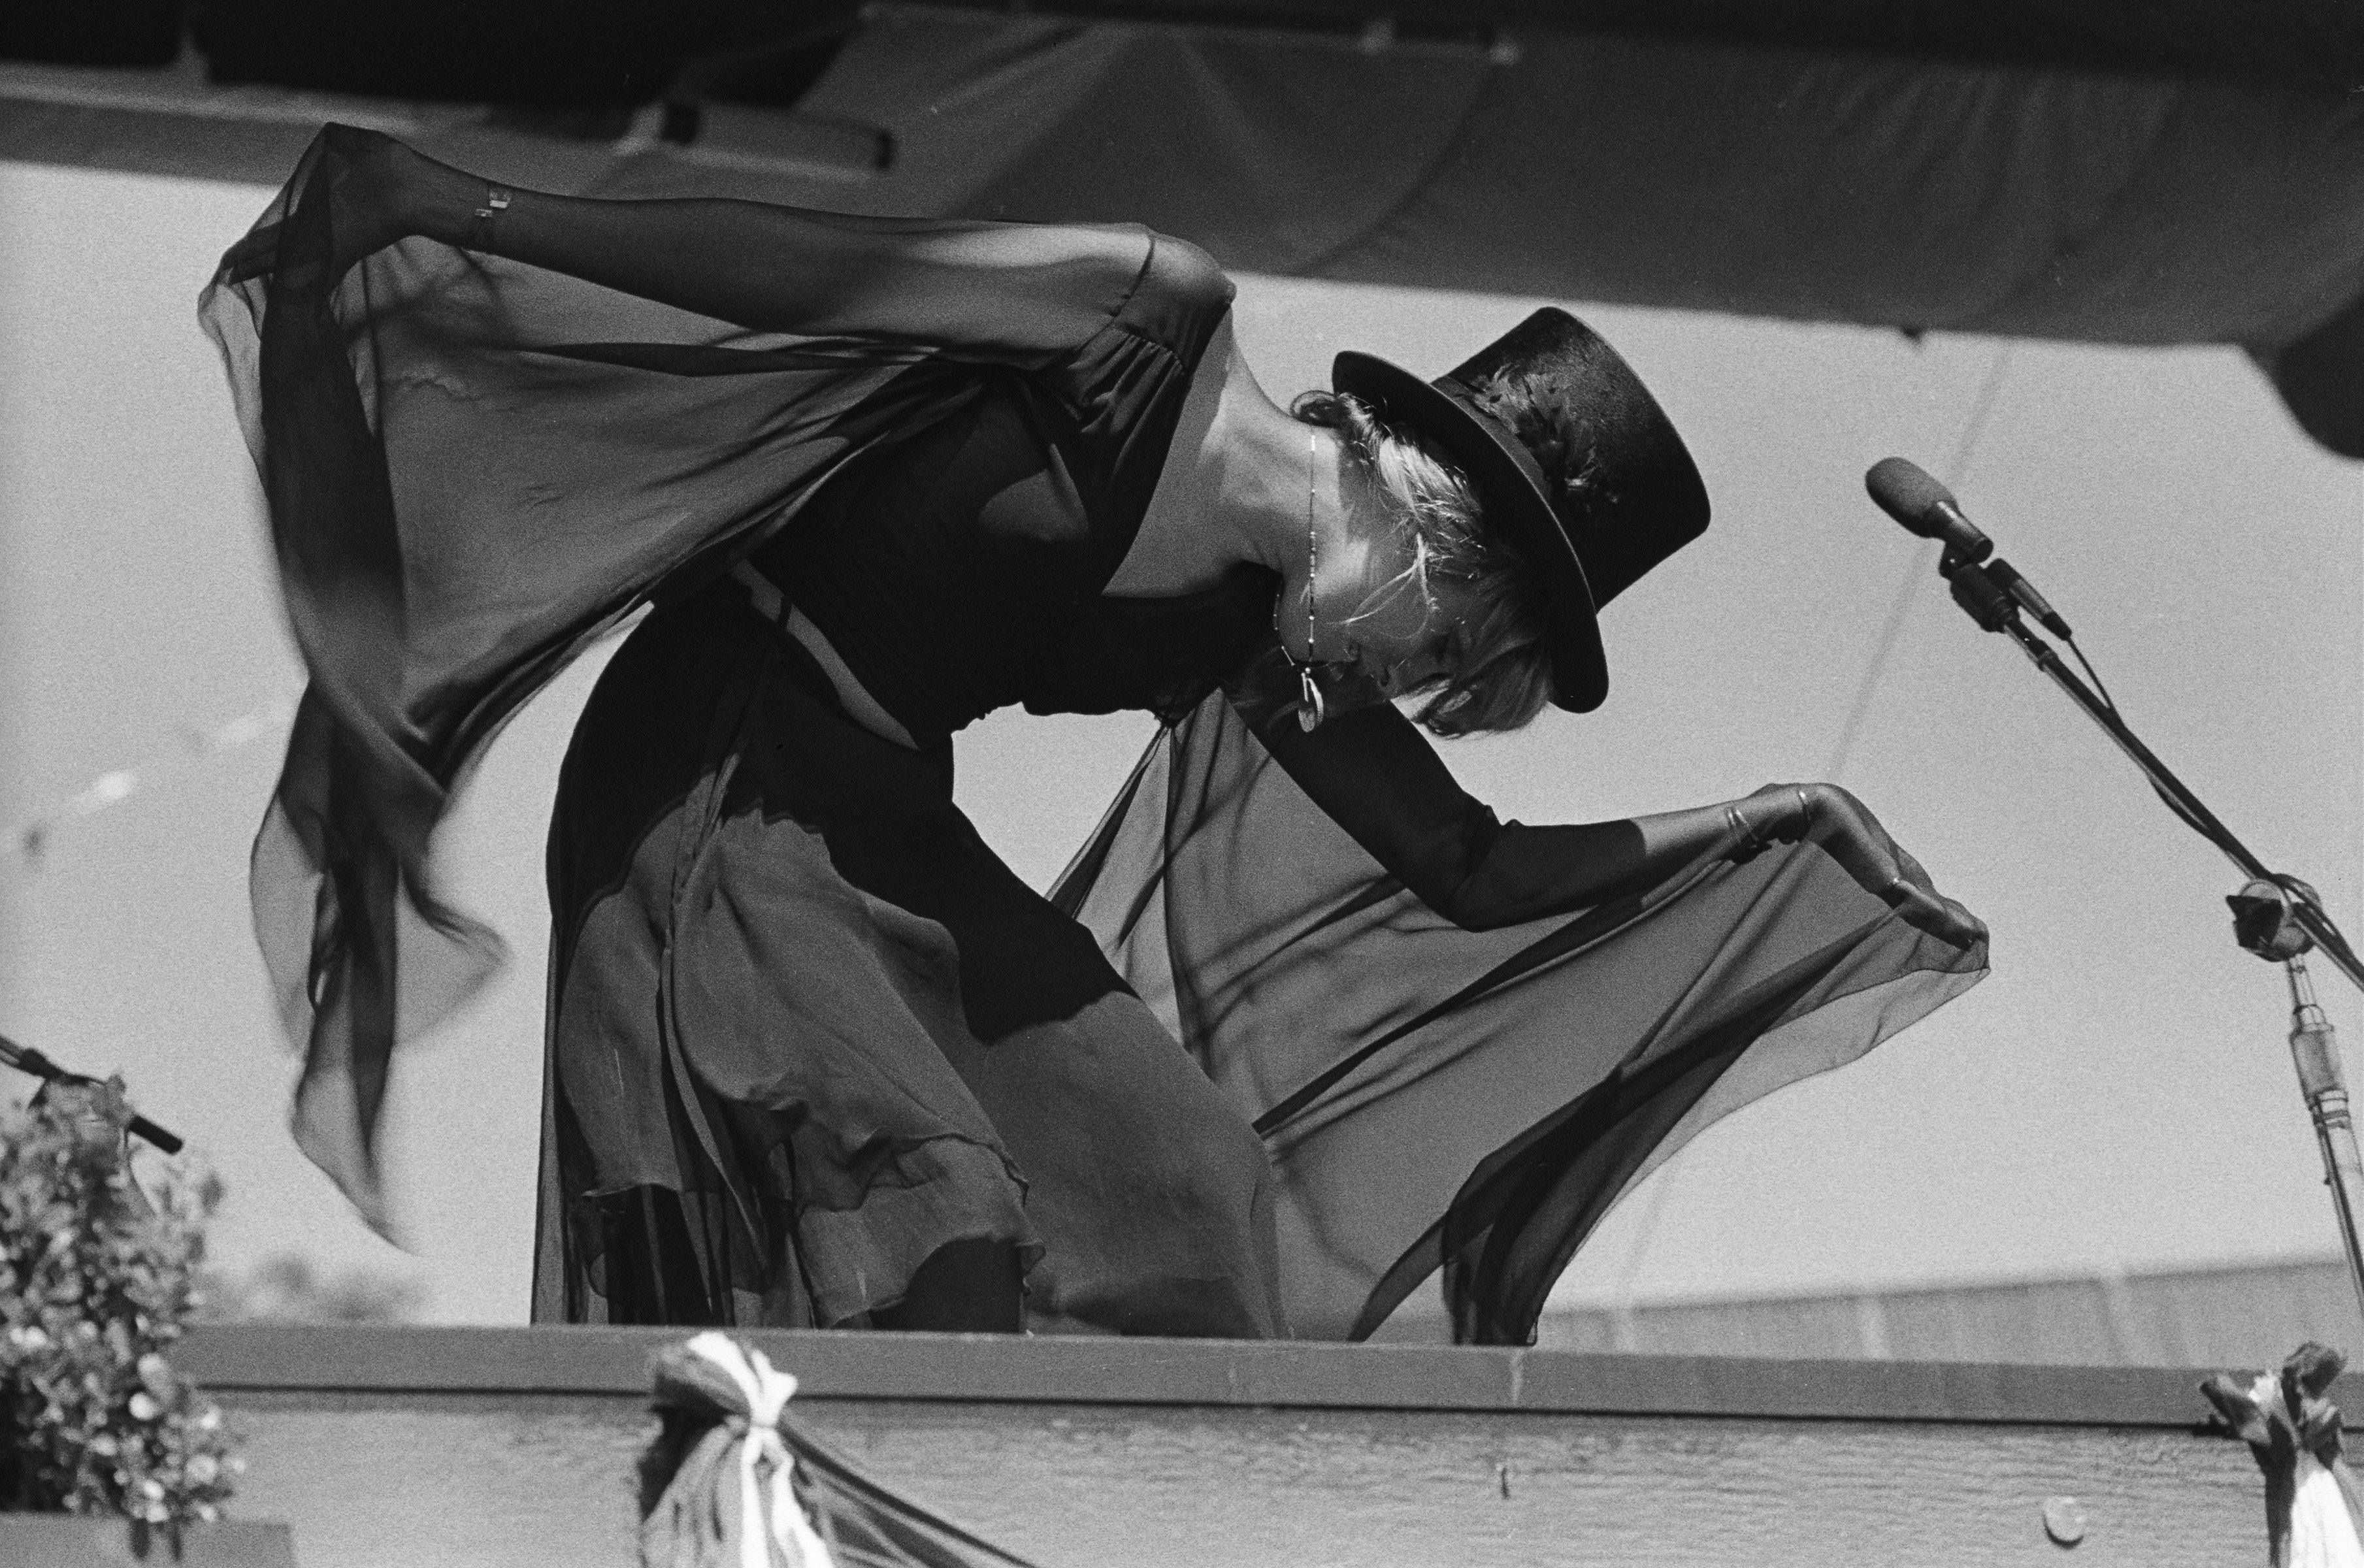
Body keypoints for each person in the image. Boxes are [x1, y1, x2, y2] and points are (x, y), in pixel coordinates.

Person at [205, 124, 1986, 1343]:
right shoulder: (1137, 318)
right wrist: (469, 216)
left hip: (877, 828)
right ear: (1427, 535)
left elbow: (1470, 865)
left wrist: (1768, 830)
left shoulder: (1264, 637)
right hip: (714, 780)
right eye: (1446, 655)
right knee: (937, 1205)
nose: (1410, 691)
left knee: (1181, 1188)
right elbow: (789, 275)